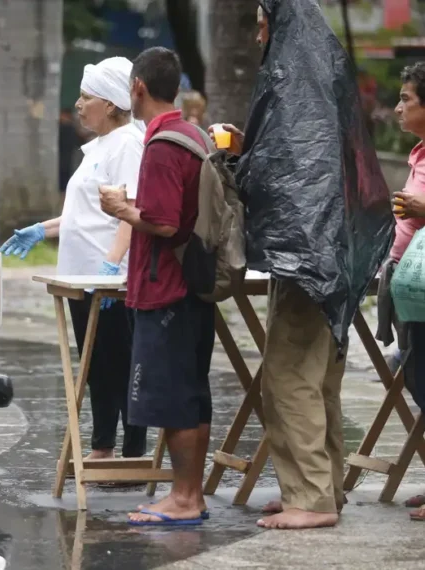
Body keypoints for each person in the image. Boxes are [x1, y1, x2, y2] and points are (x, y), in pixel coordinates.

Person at [208, 1, 392, 530]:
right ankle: (321, 488)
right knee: (317, 379)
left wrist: (240, 164)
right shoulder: (316, 68)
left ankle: (310, 498)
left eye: (262, 18)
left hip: (308, 261)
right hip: (328, 258)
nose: (258, 29)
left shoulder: (294, 75)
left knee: (289, 379)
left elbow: (293, 177)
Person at [2, 57, 148, 462]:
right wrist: (42, 230)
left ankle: (133, 451)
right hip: (82, 278)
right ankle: (103, 445)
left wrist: (111, 266)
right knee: (95, 363)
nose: (78, 104)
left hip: (110, 281)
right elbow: (83, 215)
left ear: (113, 104)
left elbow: (132, 212)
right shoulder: (97, 148)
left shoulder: (129, 145)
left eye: (87, 97)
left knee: (121, 365)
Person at [100, 47, 215, 526]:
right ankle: (189, 494)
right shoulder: (195, 135)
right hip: (194, 284)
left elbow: (165, 223)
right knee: (189, 391)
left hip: (167, 286)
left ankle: (185, 498)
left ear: (138, 88)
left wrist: (121, 210)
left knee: (173, 395)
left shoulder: (164, 144)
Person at [380, 61, 425, 522]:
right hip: (412, 288)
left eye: (406, 99)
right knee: (416, 378)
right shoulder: (418, 154)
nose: (397, 108)